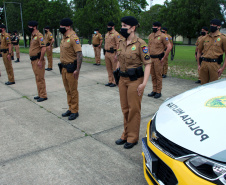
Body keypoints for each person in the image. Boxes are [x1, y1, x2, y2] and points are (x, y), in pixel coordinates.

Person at [115, 16, 151, 149]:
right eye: (122, 26)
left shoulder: (141, 44)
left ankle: (132, 137)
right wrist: (116, 71)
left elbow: (148, 64)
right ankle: (125, 134)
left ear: (133, 28)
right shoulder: (121, 42)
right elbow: (119, 58)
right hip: (122, 79)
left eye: (125, 26)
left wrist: (144, 83)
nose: (122, 29)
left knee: (134, 109)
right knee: (125, 108)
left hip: (135, 81)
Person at [59, 18, 83, 121]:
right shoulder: (64, 37)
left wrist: (77, 69)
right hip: (64, 68)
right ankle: (70, 108)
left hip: (71, 68)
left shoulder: (74, 38)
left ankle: (75, 111)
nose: (60, 28)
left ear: (68, 27)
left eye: (62, 26)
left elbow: (79, 54)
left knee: (73, 90)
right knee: (67, 90)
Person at [197, 19, 226, 85]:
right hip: (204, 63)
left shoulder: (223, 38)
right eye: (211, 24)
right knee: (203, 85)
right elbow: (199, 51)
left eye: (214, 25)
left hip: (214, 64)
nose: (212, 26)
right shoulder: (204, 38)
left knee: (213, 85)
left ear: (219, 26)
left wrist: (222, 68)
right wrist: (199, 64)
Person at [147, 22, 172, 99]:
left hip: (158, 59)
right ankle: (154, 90)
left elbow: (169, 47)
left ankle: (158, 91)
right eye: (153, 26)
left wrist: (164, 57)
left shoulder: (163, 36)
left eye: (155, 26)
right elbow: (148, 46)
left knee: (158, 75)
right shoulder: (151, 35)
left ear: (159, 27)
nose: (153, 27)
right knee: (153, 75)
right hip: (151, 58)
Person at [28, 21, 48, 102]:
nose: (28, 28)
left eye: (30, 26)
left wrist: (40, 60)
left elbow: (43, 48)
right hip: (33, 60)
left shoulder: (39, 36)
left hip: (38, 60)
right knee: (37, 78)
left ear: (34, 27)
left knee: (40, 78)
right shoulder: (33, 36)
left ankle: (43, 95)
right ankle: (40, 93)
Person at [104, 21, 120, 87]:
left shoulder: (116, 34)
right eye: (107, 26)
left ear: (113, 27)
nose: (108, 27)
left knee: (114, 68)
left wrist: (117, 54)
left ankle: (115, 82)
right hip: (107, 53)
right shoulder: (107, 34)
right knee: (108, 68)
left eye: (109, 26)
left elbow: (118, 44)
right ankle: (110, 80)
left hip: (113, 53)